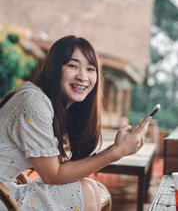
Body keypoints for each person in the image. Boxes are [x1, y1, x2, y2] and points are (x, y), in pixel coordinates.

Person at [0, 35, 151, 211]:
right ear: (54, 69)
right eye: (72, 66)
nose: (83, 76)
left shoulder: (55, 108)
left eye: (90, 69)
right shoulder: (33, 102)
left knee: (89, 187)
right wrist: (115, 152)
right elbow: (53, 175)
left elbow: (59, 169)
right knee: (85, 190)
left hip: (6, 191)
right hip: (4, 196)